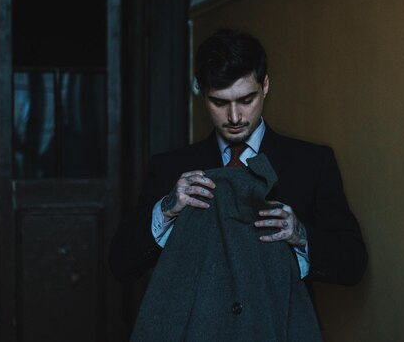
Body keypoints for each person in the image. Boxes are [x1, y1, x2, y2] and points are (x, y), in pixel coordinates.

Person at [109, 28, 367, 302]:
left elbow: (352, 265)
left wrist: (301, 235)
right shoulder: (170, 168)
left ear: (265, 86)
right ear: (200, 89)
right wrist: (165, 210)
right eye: (219, 102)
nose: (234, 117)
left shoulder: (312, 163)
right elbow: (121, 266)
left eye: (246, 100)